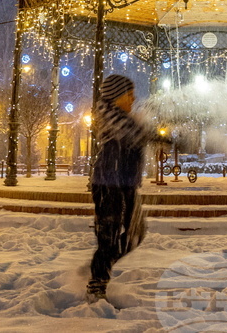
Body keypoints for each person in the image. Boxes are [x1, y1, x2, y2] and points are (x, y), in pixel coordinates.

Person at [86, 74, 167, 302]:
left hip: (127, 185)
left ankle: (101, 263)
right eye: (128, 94)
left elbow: (138, 134)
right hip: (107, 185)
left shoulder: (126, 118)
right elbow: (134, 132)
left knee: (135, 234)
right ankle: (97, 285)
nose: (133, 98)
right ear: (116, 96)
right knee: (108, 237)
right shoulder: (110, 116)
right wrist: (166, 139)